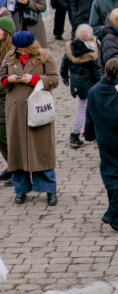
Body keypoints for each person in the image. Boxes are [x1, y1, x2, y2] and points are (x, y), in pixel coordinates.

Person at [1, 31, 60, 206]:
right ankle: (21, 189)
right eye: (18, 49)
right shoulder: (10, 57)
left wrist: (34, 79)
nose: (21, 52)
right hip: (16, 110)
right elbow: (1, 78)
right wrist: (8, 80)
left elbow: (54, 79)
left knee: (42, 150)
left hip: (38, 108)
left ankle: (49, 189)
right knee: (17, 151)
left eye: (24, 49)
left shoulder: (45, 57)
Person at [84, 58, 118, 232]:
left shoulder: (94, 91)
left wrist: (89, 134)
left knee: (111, 171)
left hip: (104, 139)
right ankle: (113, 212)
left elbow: (89, 115)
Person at [60, 24, 101, 149]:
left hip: (77, 85)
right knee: (86, 110)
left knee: (84, 108)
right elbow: (96, 70)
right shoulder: (92, 50)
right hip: (89, 85)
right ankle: (76, 133)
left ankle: (88, 133)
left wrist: (64, 77)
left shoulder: (70, 48)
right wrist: (100, 84)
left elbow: (63, 65)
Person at [0, 17, 14, 183]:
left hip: (7, 98)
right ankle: (12, 166)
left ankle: (16, 168)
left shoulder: (11, 53)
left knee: (4, 135)